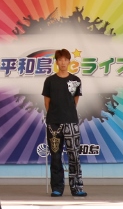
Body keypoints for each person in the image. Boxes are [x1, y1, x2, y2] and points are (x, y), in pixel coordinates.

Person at [42, 48, 86, 197]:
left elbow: (75, 101)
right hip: (53, 124)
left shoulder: (76, 80)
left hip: (71, 122)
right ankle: (57, 188)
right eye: (60, 60)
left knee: (74, 155)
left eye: (65, 60)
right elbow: (47, 102)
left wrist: (67, 113)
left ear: (69, 62)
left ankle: (77, 187)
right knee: (55, 157)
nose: (63, 62)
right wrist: (54, 117)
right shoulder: (50, 81)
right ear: (56, 62)